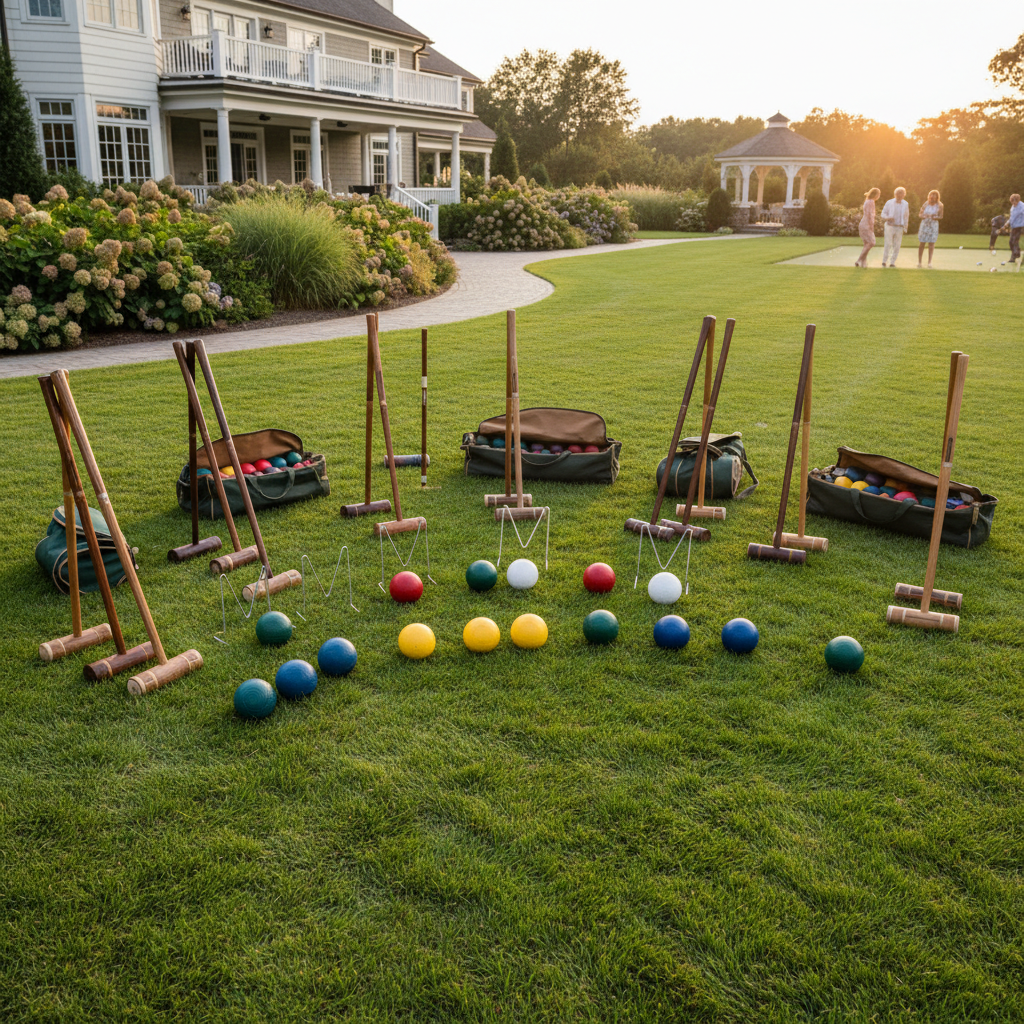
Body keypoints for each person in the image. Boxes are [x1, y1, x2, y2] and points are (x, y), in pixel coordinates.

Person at [880, 187, 910, 267]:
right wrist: (888, 217)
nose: (899, 196)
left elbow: (906, 216)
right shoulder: (889, 202)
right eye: (898, 194)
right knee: (888, 243)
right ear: (895, 194)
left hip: (899, 227)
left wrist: (905, 227)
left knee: (897, 245)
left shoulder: (905, 204)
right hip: (890, 226)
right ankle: (884, 261)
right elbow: (883, 213)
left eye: (901, 194)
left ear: (904, 195)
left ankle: (892, 262)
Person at [917, 190, 943, 268]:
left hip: (933, 225)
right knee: (922, 243)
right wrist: (924, 216)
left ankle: (929, 262)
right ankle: (919, 262)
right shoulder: (925, 204)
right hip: (924, 224)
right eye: (931, 195)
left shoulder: (940, 205)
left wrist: (935, 217)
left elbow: (941, 216)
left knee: (931, 243)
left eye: (934, 195)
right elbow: (920, 214)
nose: (932, 197)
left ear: (937, 197)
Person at [855, 187, 880, 267]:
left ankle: (863, 263)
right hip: (866, 224)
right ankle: (859, 260)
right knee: (872, 242)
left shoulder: (867, 201)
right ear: (876, 195)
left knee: (866, 244)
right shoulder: (871, 202)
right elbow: (870, 215)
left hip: (863, 224)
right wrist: (871, 226)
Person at [1009, 194, 1023, 264]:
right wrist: (1006, 224)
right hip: (1013, 227)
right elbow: (1012, 217)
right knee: (1011, 242)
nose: (1014, 203)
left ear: (1018, 200)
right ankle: (1016, 254)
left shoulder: (1022, 206)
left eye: (1015, 201)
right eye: (1012, 202)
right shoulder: (1013, 207)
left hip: (1020, 226)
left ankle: (1014, 256)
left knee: (1015, 240)